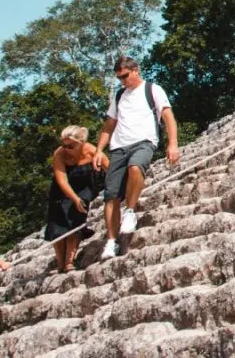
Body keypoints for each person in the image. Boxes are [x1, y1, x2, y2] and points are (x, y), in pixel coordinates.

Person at [92, 56, 179, 261]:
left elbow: (168, 116)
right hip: (118, 147)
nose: (123, 81)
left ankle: (130, 211)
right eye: (119, 78)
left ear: (135, 70)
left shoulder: (153, 89)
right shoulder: (120, 95)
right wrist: (98, 150)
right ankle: (111, 241)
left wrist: (172, 142)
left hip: (144, 141)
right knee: (111, 196)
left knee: (135, 168)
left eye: (125, 76)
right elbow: (109, 125)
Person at [47, 125, 108, 272]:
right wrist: (73, 198)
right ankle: (60, 263)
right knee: (58, 225)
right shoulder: (59, 154)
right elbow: (62, 180)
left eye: (70, 146)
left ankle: (69, 261)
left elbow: (110, 168)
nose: (66, 148)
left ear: (81, 142)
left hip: (84, 188)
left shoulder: (92, 151)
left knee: (76, 220)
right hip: (61, 191)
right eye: (64, 145)